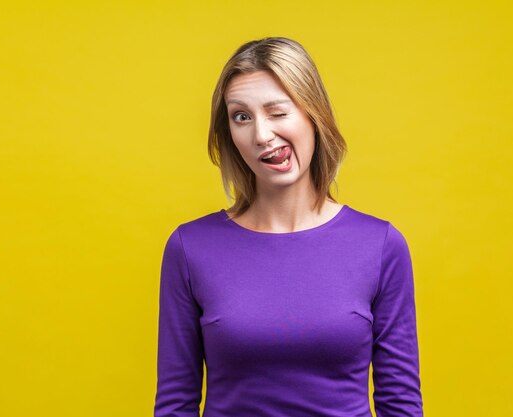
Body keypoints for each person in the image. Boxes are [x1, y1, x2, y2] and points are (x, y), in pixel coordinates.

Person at [153, 37, 424, 417]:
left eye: (277, 112)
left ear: (314, 115)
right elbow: (175, 405)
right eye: (241, 116)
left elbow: (400, 404)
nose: (261, 134)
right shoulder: (190, 247)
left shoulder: (380, 245)